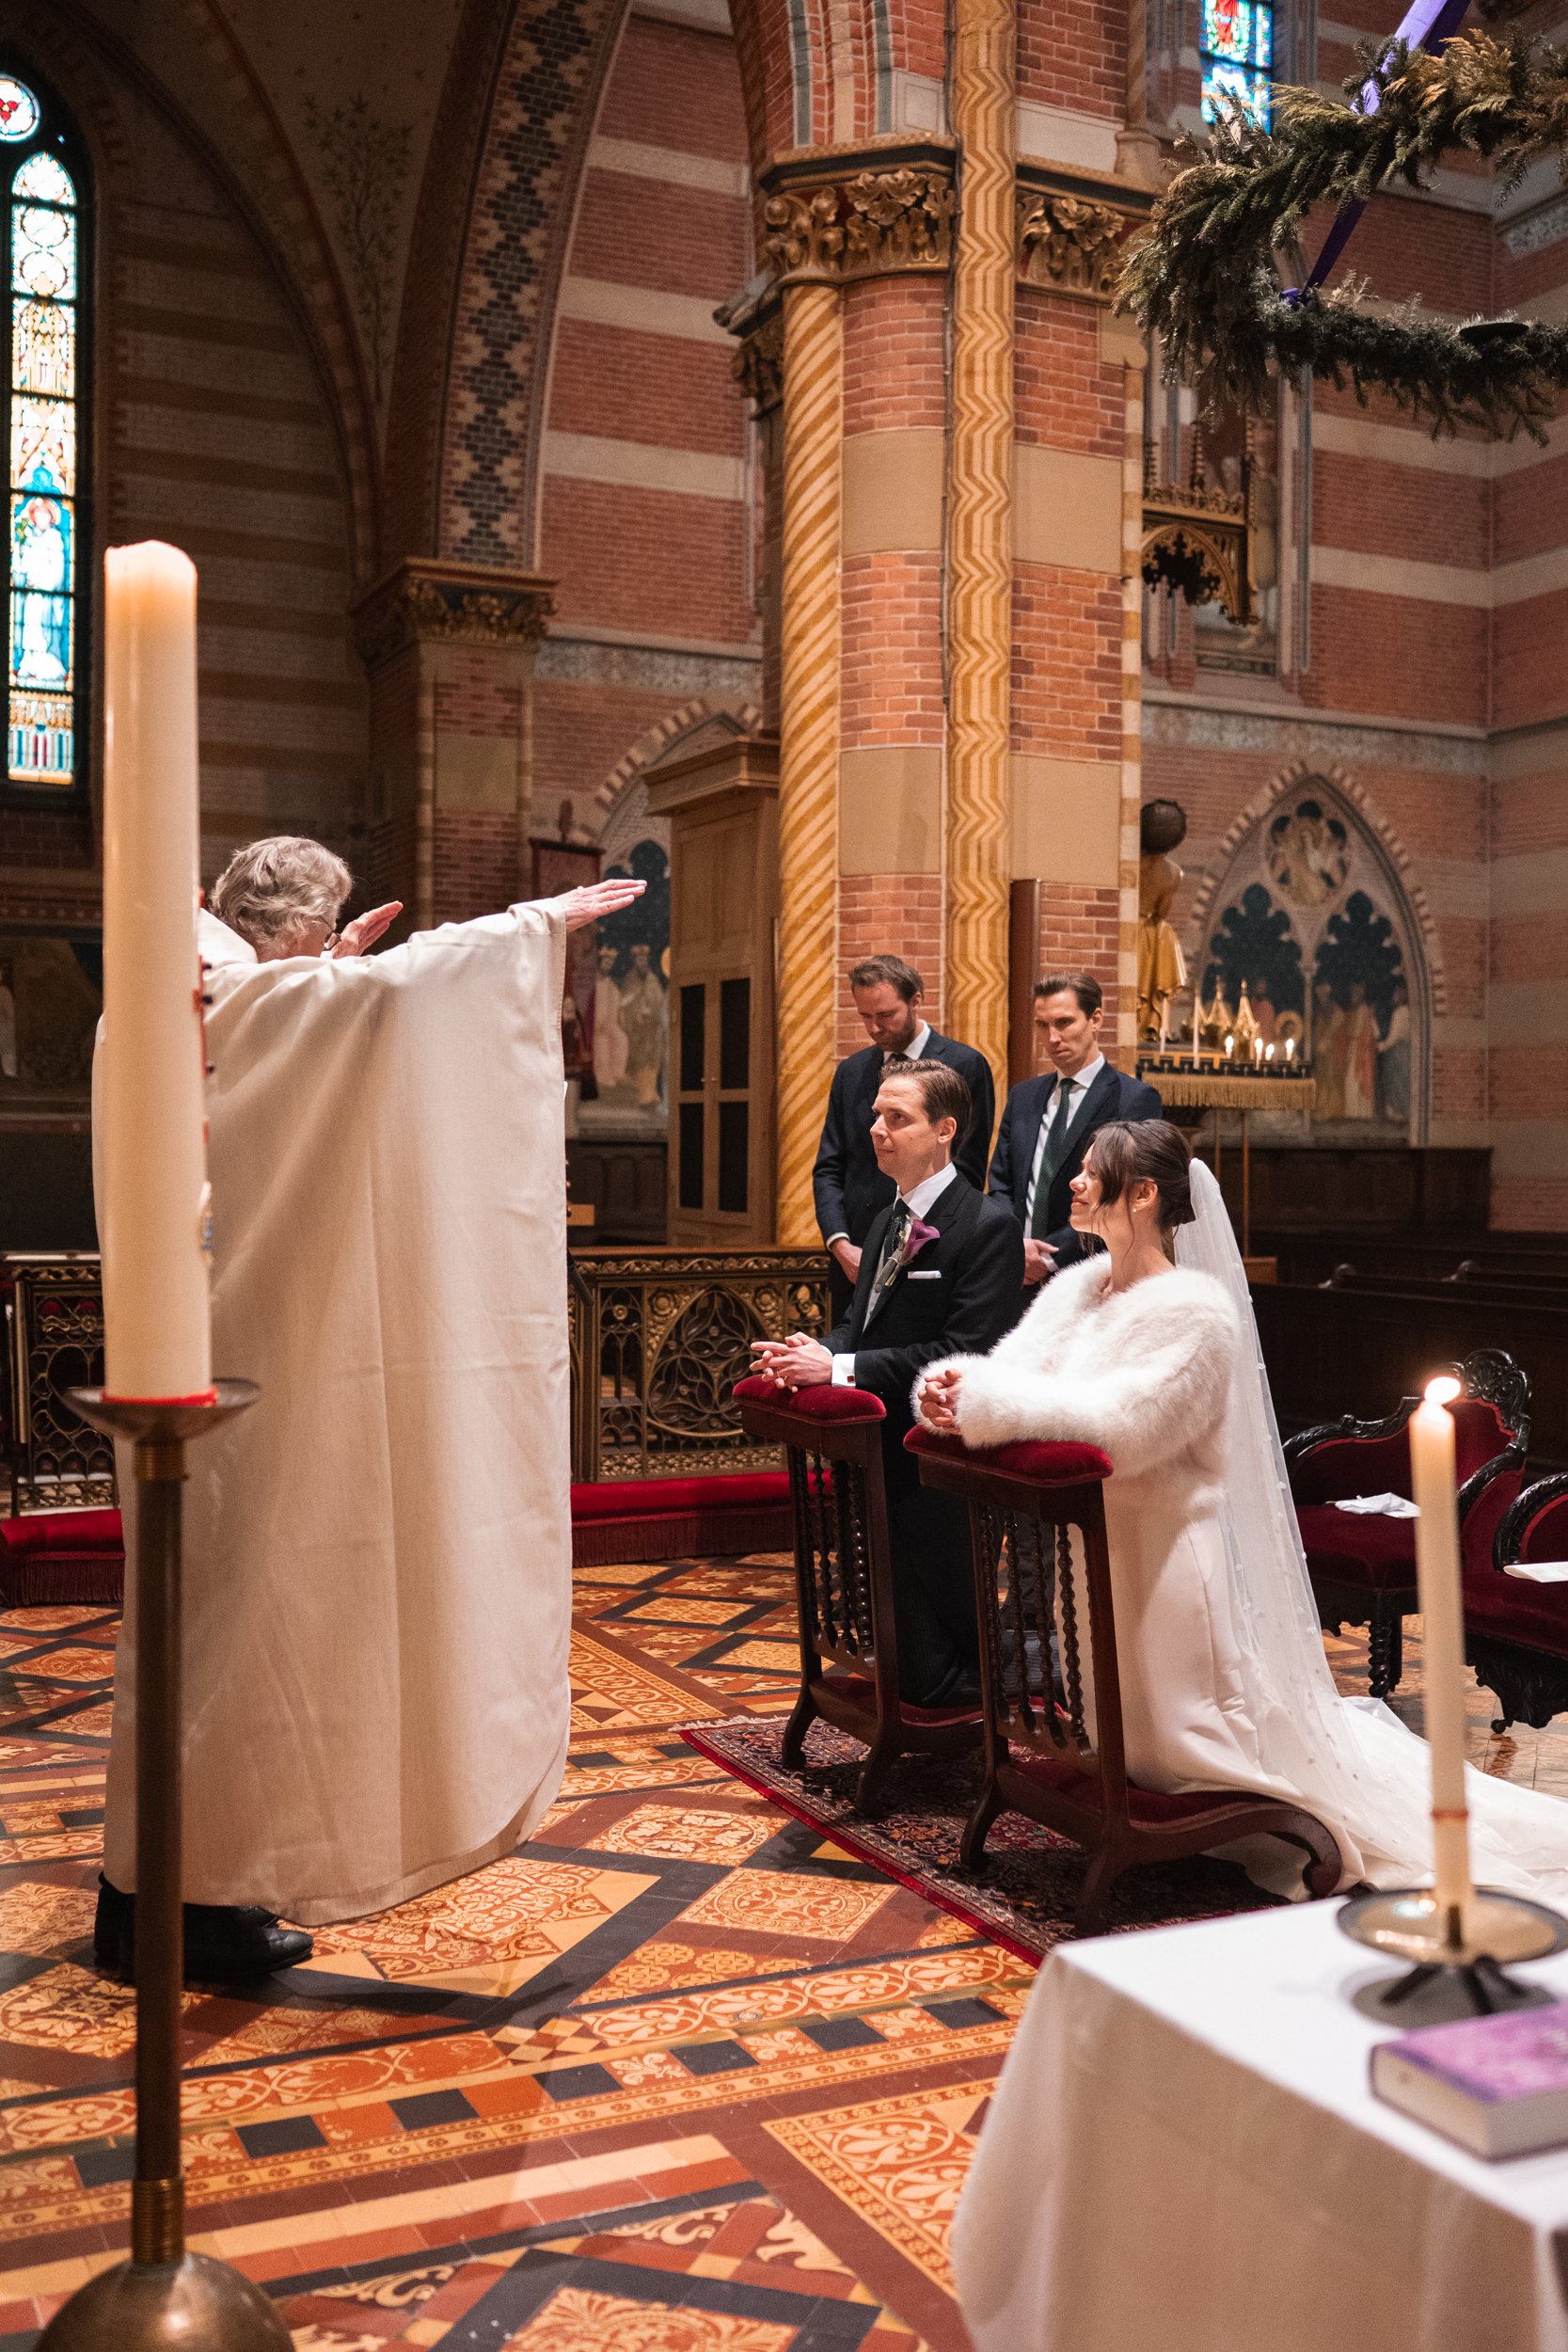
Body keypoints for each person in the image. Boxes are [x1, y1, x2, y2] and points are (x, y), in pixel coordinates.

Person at [93, 834, 643, 1980]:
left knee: (219, 1622)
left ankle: (183, 1882)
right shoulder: (211, 985)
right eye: (321, 933)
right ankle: (162, 1897)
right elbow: (315, 1024)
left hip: (209, 1344)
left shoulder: (200, 979)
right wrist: (524, 927)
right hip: (236, 1361)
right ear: (289, 928)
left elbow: (300, 1037)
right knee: (229, 1620)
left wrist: (329, 982)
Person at [918, 1118, 1568, 1900]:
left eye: (1091, 1172)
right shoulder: (1077, 1287)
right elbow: (1014, 1374)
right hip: (1092, 1550)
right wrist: (954, 1391)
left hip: (1160, 1557)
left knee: (1182, 1743)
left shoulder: (1195, 1312)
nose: (1073, 1185)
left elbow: (1126, 1423)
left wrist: (990, 1403)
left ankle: (1232, 1818)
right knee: (1115, 1728)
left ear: (1146, 1192)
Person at [752, 1060, 1022, 1708]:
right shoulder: (882, 1221)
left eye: (895, 1118)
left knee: (938, 1654)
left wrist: (839, 1369)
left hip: (937, 1459)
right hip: (876, 1450)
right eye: (876, 1115)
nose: (876, 1129)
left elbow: (964, 1353)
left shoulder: (985, 1226)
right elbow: (861, 1324)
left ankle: (981, 1720)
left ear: (943, 1130)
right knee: (893, 1635)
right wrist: (817, 1351)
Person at [813, 954, 995, 1322]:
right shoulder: (851, 1072)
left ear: (915, 1001)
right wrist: (840, 1243)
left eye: (885, 1015)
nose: (875, 1028)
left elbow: (967, 1171)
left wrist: (904, 1247)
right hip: (853, 1256)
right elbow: (830, 1167)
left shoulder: (964, 1065)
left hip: (927, 1254)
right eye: (865, 1017)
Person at [986, 971, 1161, 1293]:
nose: (1052, 1038)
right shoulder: (1023, 1096)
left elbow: (1122, 1194)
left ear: (1095, 1019)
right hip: (1013, 1271)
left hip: (1089, 1272)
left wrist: (1051, 1256)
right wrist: (1014, 1245)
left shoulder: (1133, 1099)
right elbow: (1001, 1183)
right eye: (1042, 1025)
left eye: (1064, 1023)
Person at [619, 940, 667, 1108]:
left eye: (644, 960)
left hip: (651, 1029)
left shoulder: (653, 980)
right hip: (636, 1030)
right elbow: (625, 1002)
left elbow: (659, 1000)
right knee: (638, 1061)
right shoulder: (630, 979)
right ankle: (642, 1096)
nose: (642, 963)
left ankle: (650, 1094)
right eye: (639, 960)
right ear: (635, 961)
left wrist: (650, 1010)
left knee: (652, 1060)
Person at [592, 942, 629, 1094]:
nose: (608, 966)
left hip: (610, 1024)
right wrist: (597, 1023)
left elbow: (617, 1004)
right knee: (602, 1042)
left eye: (610, 963)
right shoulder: (591, 982)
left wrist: (618, 1021)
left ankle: (617, 1073)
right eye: (606, 962)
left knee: (622, 1039)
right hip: (595, 1027)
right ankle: (603, 1076)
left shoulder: (611, 985)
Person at [1379, 977, 1412, 1122]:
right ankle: (1402, 1113)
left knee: (1396, 1081)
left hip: (1398, 1053)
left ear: (1402, 994)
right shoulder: (1408, 1011)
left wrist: (1381, 1046)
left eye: (1396, 993)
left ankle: (1399, 1113)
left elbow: (1393, 1037)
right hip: (1405, 1051)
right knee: (1402, 1081)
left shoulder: (1399, 1012)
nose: (1394, 996)